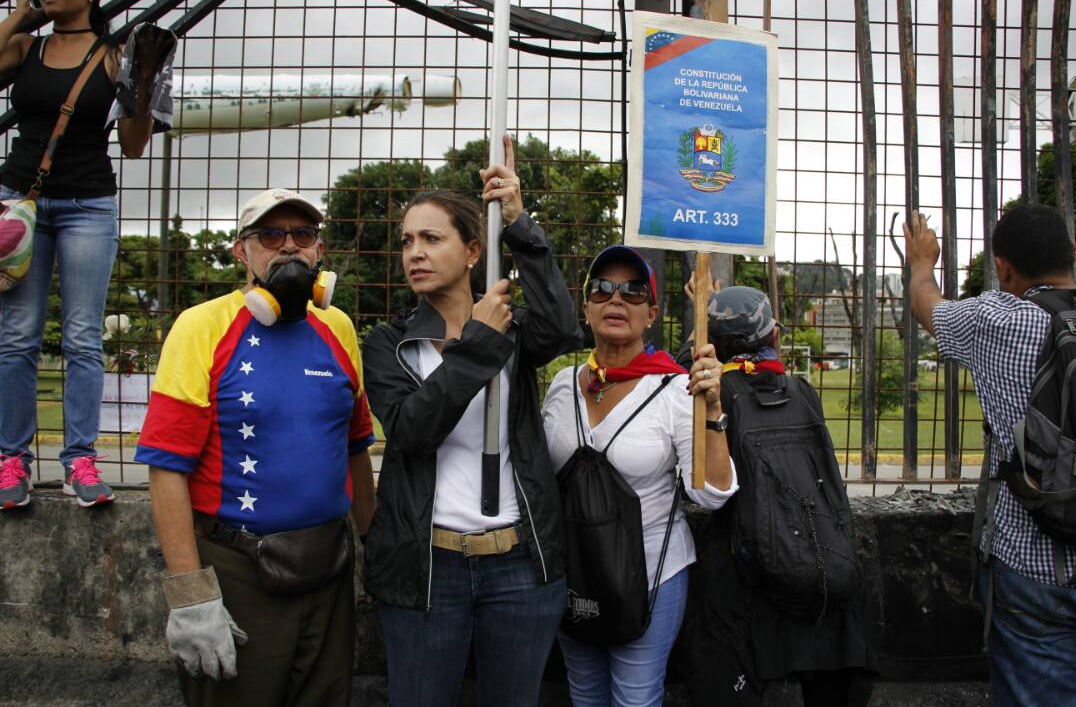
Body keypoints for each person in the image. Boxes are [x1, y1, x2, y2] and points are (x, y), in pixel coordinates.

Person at [360, 135, 582, 707]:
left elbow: (560, 329)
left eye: (432, 239)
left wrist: (519, 222)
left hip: (520, 563)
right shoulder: (391, 343)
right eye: (407, 241)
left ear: (474, 252)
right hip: (427, 568)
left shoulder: (510, 329)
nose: (415, 253)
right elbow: (412, 429)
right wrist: (478, 341)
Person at [135, 188, 377, 706]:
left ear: (320, 251)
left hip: (330, 569)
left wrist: (372, 547)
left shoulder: (339, 327)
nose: (289, 247)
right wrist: (191, 595)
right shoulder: (201, 326)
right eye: (270, 234)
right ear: (241, 251)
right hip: (238, 572)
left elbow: (356, 447)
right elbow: (166, 467)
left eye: (303, 234)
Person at [0, 0, 173, 510]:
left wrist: (143, 83)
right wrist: (15, 15)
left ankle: (80, 459)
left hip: (88, 205)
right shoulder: (25, 47)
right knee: (16, 337)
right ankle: (10, 460)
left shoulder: (116, 56)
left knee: (81, 337)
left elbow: (135, 144)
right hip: (20, 202)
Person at [542, 246, 737, 707]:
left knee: (635, 699)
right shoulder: (561, 385)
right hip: (573, 573)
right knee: (585, 695)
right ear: (585, 306)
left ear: (651, 313)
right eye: (602, 289)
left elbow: (710, 494)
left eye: (632, 291)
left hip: (650, 574)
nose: (616, 299)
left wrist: (711, 409)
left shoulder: (675, 389)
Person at [904, 205, 1076, 706]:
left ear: (1003, 268)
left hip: (1033, 562)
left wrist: (922, 262)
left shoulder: (998, 322)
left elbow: (927, 305)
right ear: (1072, 253)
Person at [680, 285, 873, 707]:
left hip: (741, 574)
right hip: (817, 558)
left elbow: (680, 376)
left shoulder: (710, 397)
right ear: (774, 337)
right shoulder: (802, 392)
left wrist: (696, 321)